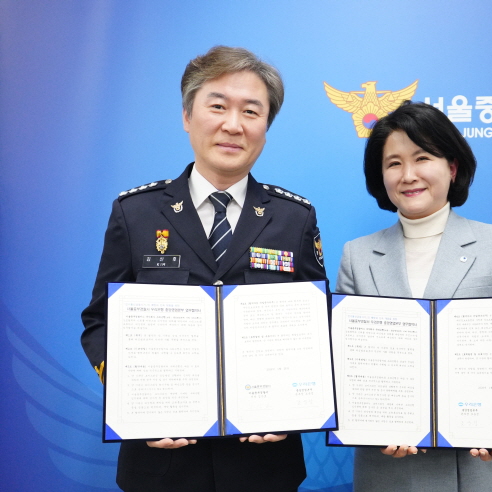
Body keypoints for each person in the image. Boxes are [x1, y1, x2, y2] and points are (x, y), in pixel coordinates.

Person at [81, 46, 326, 492]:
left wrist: (295, 406)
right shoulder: (135, 213)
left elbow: (316, 329)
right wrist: (131, 398)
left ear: (266, 127)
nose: (233, 125)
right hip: (160, 466)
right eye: (218, 106)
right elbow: (99, 322)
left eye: (251, 111)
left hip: (263, 465)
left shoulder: (295, 218)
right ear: (187, 116)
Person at [336, 101, 492, 492]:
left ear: (452, 167)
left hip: (478, 468)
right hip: (389, 469)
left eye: (422, 158)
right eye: (393, 163)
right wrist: (370, 424)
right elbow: (346, 365)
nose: (408, 175)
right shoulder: (357, 256)